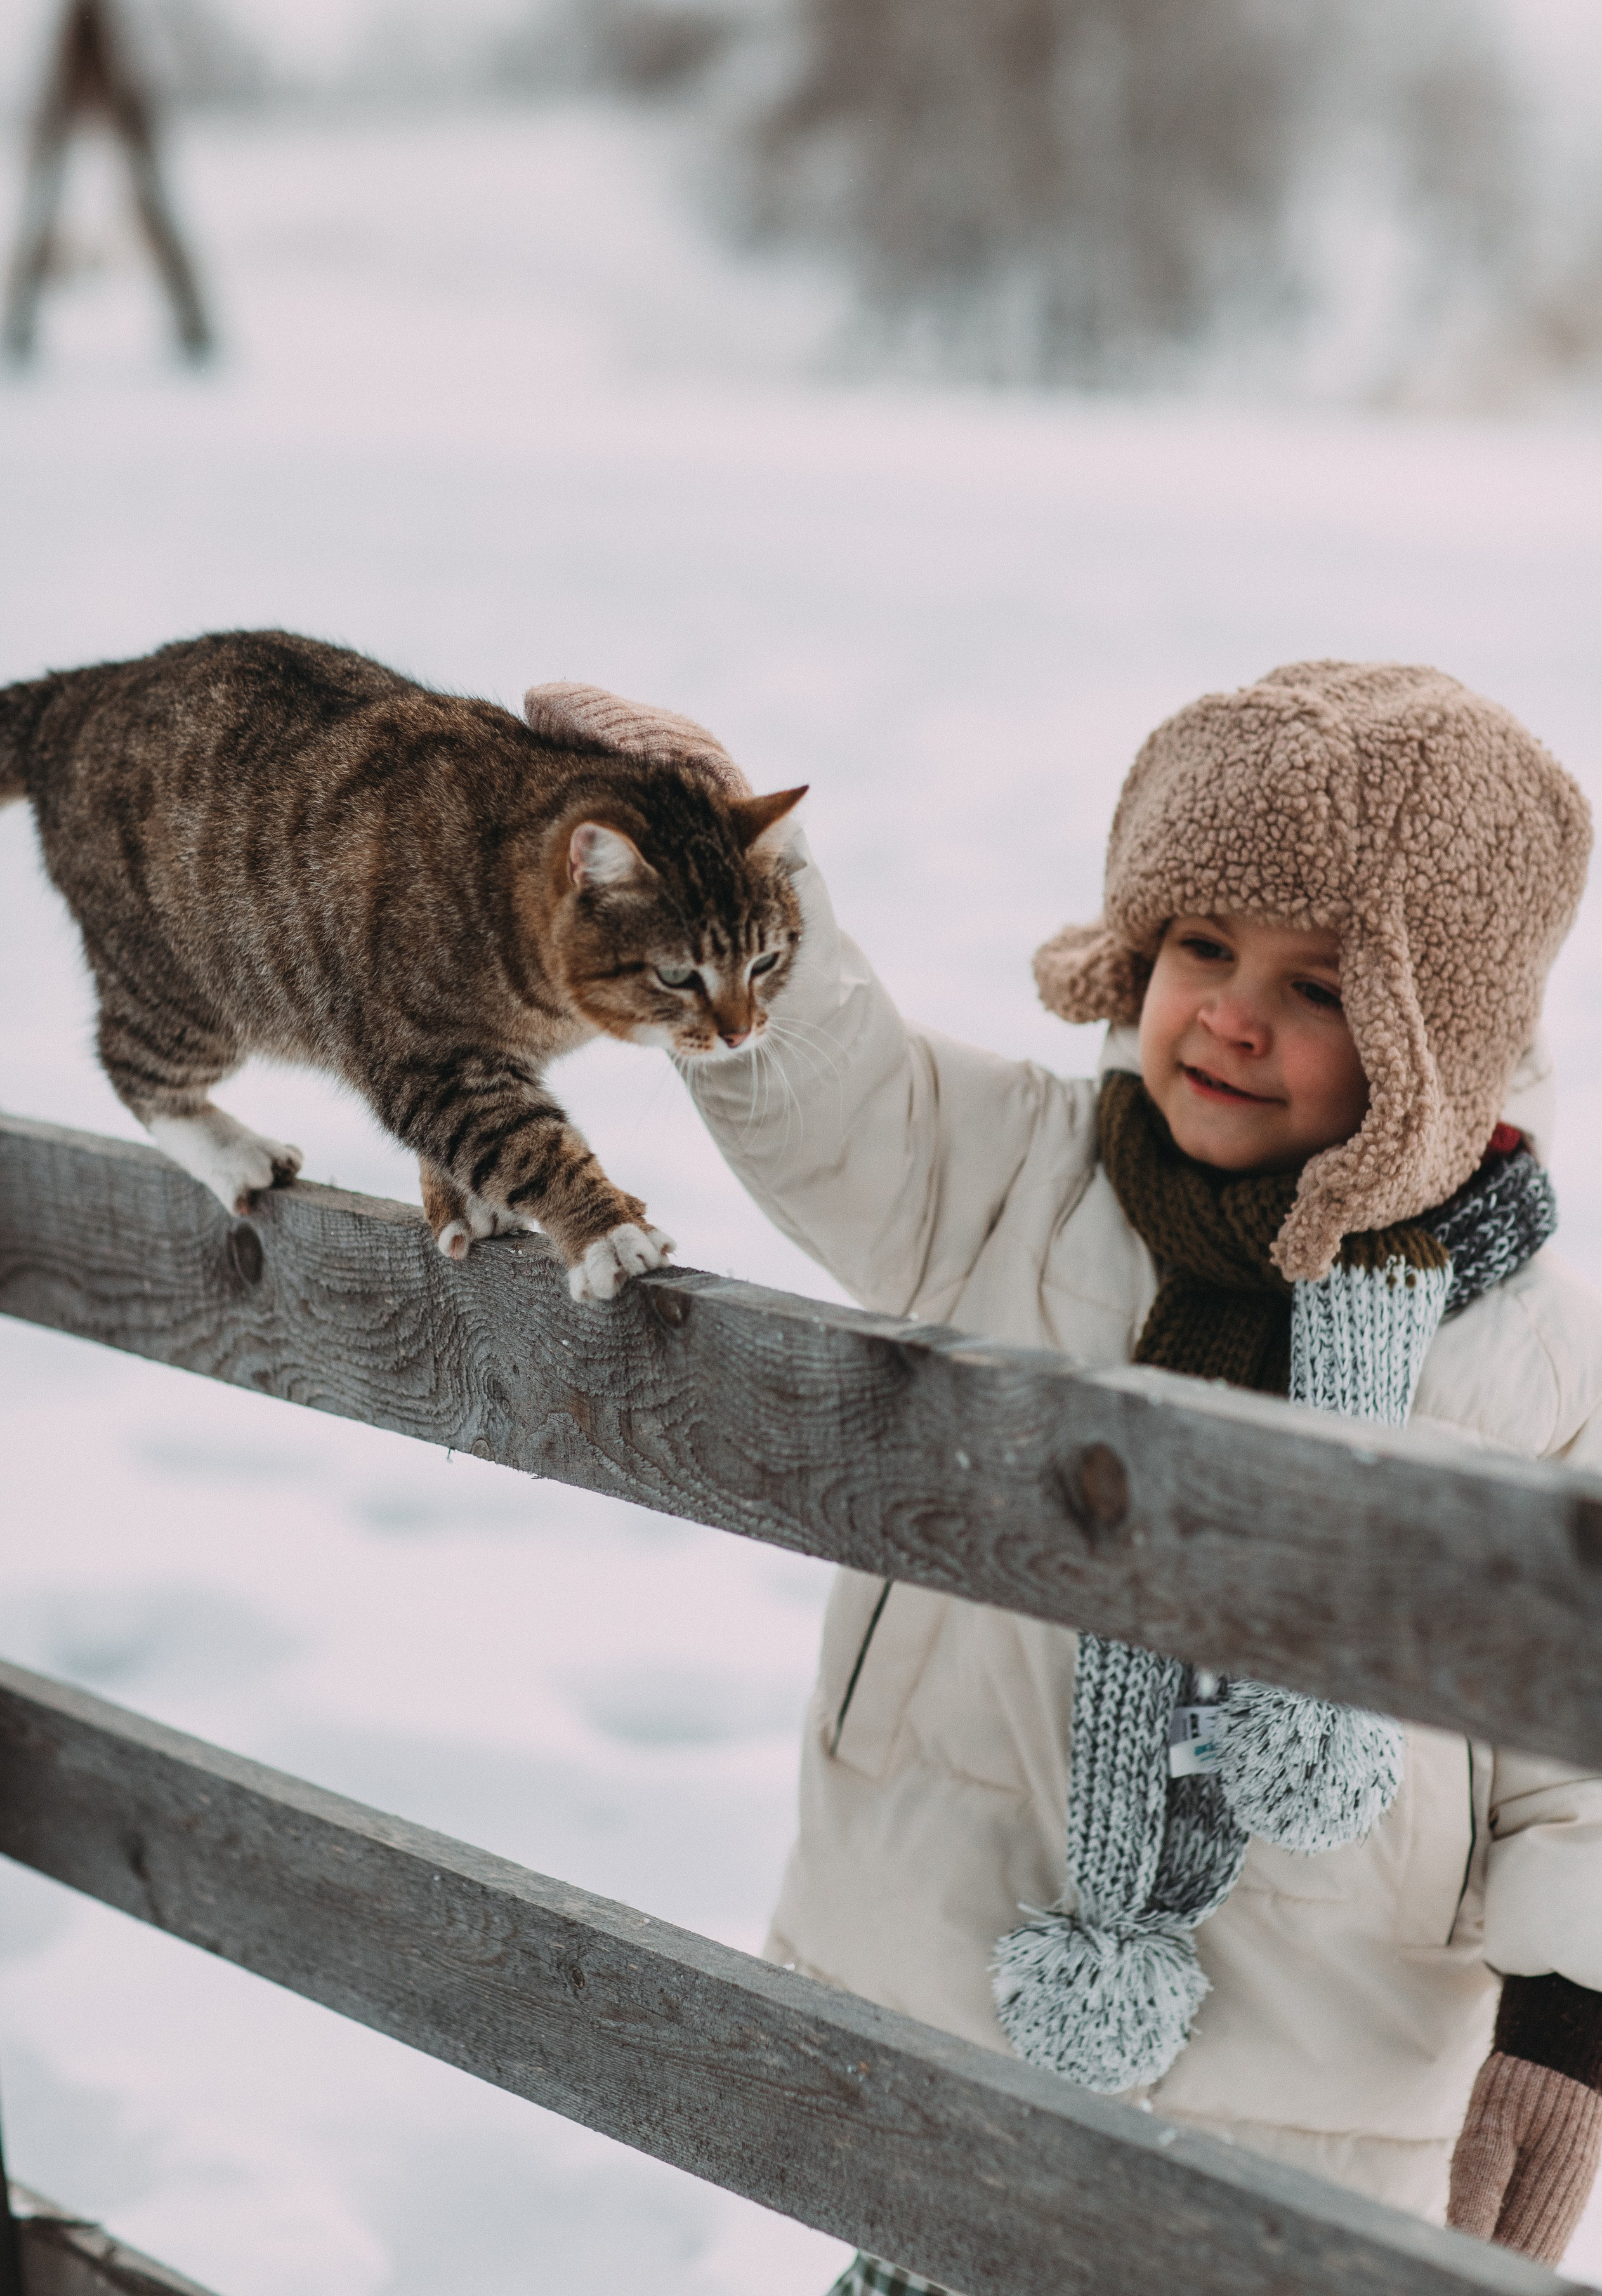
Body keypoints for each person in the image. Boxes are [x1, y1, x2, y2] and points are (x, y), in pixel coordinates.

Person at [529, 662, 1602, 2282]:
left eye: (1322, 991)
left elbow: (1578, 1743)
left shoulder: (1524, 1359)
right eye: (1201, 949)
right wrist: (733, 876)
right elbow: (832, 1100)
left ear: (1435, 1032)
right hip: (948, 1995)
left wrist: (1568, 2034)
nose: (1233, 1016)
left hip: (1317, 2075)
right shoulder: (1017, 1173)